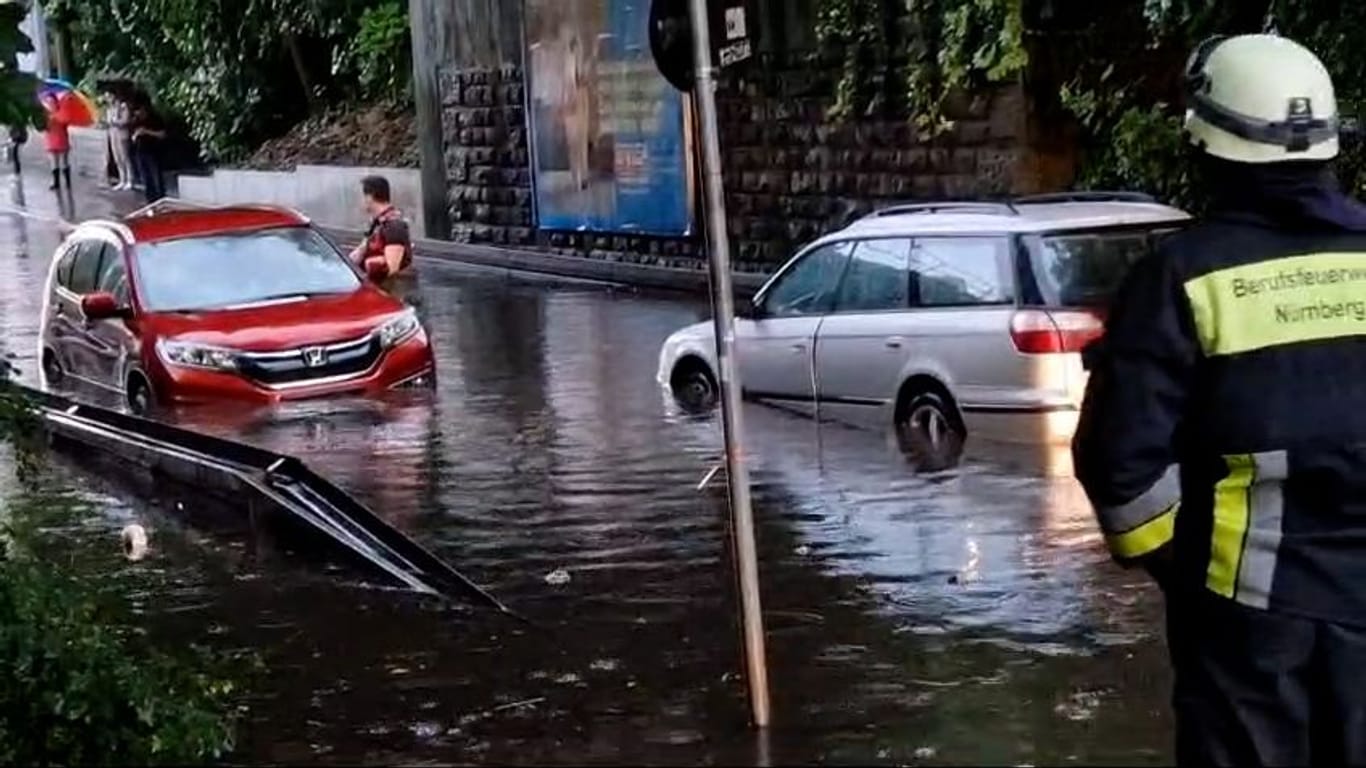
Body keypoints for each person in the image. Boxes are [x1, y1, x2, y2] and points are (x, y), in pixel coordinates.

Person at [1073, 34, 1366, 766]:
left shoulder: (1176, 280)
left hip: (1249, 628)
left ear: (1206, 147)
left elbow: (1120, 467)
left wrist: (1189, 576)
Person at [348, 175, 413, 279]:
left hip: (387, 291)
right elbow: (357, 255)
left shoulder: (394, 226)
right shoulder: (378, 223)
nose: (360, 201)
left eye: (362, 196)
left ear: (370, 197)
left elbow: (392, 270)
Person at [129, 98, 167, 202]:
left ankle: (161, 198)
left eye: (139, 111)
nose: (138, 113)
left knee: (156, 177)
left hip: (153, 151)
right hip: (140, 151)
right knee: (146, 178)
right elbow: (132, 134)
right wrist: (134, 137)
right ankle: (150, 199)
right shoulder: (136, 120)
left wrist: (147, 132)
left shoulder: (155, 119)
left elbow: (162, 134)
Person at [40, 92, 70, 191]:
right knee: (53, 161)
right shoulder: (45, 114)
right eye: (48, 102)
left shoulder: (61, 112)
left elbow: (66, 123)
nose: (50, 104)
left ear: (56, 102)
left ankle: (67, 182)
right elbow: (41, 127)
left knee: (64, 161)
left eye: (52, 101)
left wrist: (57, 118)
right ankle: (56, 182)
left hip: (61, 138)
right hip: (50, 138)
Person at [106, 90, 134, 191]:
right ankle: (122, 179)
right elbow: (108, 121)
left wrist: (115, 121)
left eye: (109, 96)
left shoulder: (123, 106)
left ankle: (130, 180)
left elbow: (125, 120)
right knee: (117, 158)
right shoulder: (109, 108)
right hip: (113, 134)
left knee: (125, 157)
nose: (108, 99)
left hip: (122, 134)